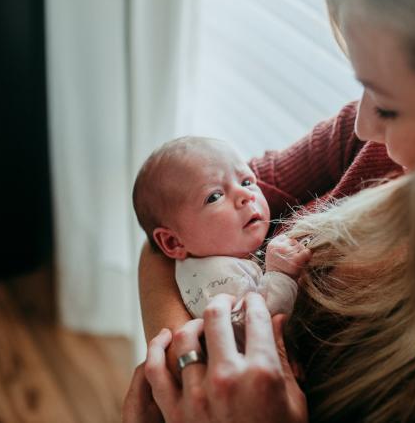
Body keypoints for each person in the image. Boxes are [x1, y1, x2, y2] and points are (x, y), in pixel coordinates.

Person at [124, 0, 415, 422]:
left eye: (388, 104)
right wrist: (193, 366)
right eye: (362, 84)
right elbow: (171, 219)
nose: (363, 124)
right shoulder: (366, 145)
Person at [132, 136, 311, 321]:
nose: (246, 194)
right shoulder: (216, 279)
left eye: (247, 182)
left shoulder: (216, 255)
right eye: (214, 196)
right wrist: (281, 274)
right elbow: (256, 326)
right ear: (173, 241)